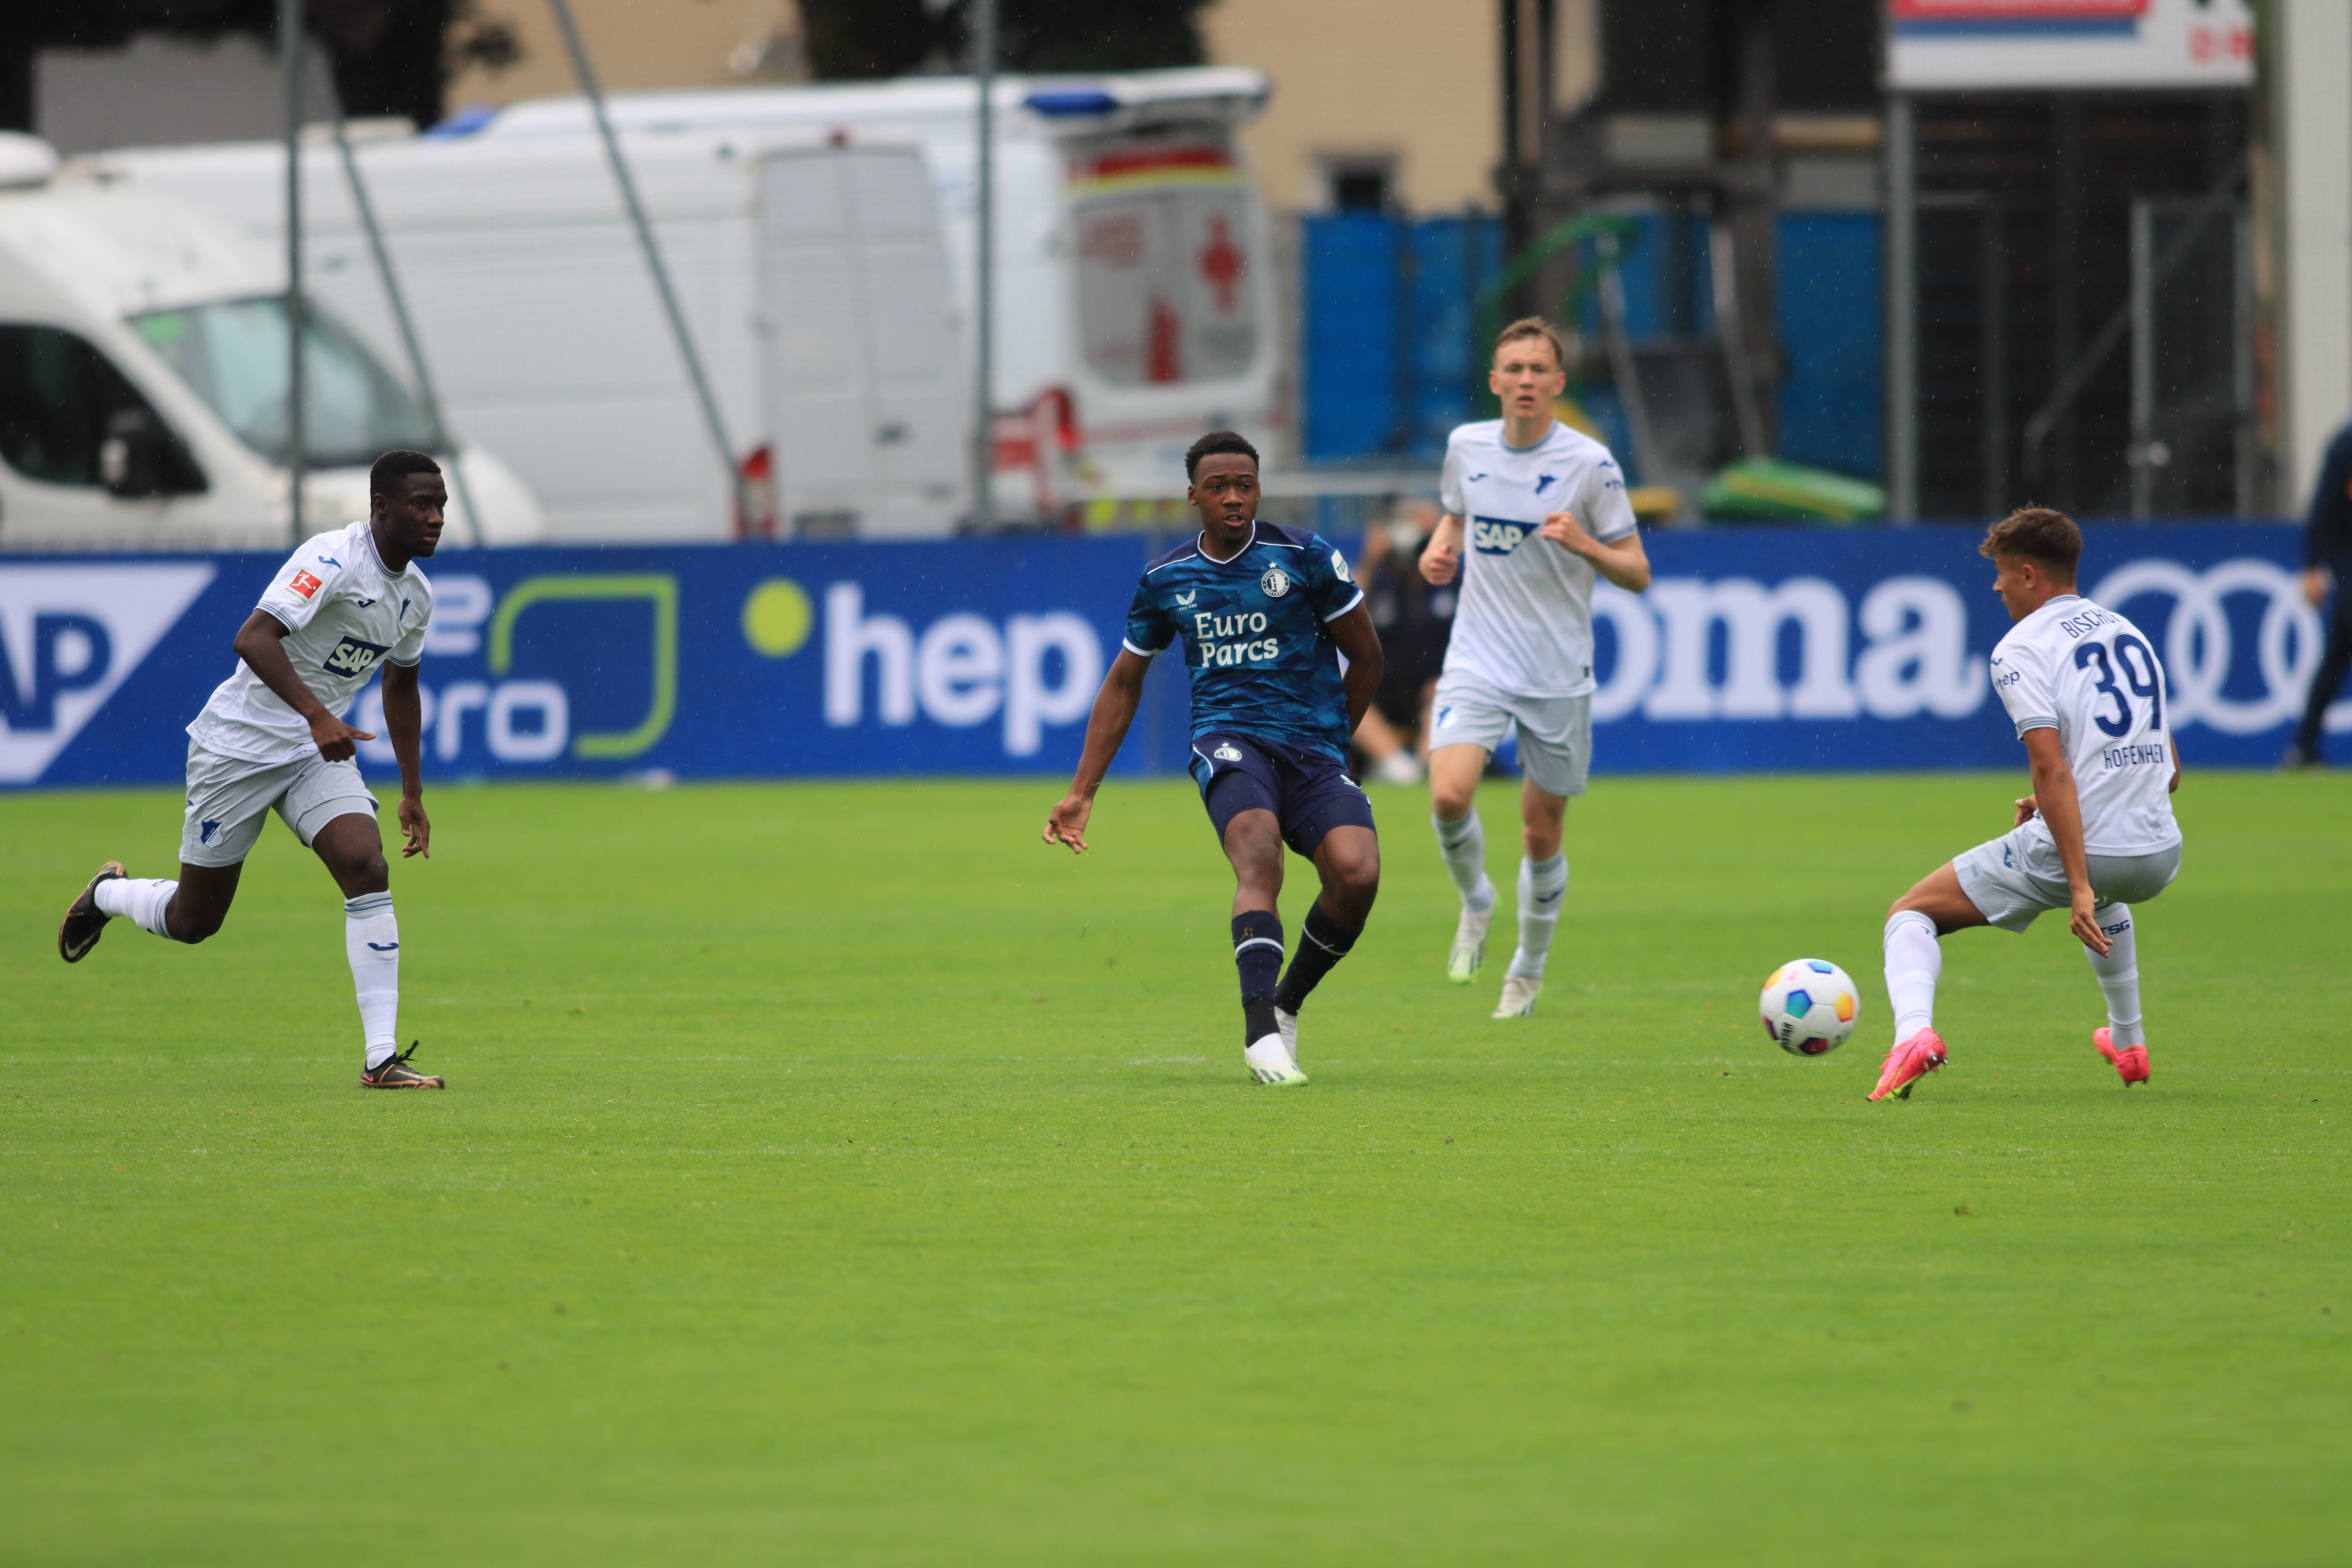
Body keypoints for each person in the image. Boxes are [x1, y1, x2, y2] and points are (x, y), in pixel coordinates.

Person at [55, 450, 448, 1089]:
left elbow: (401, 689)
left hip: (310, 754)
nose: (435, 519)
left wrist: (411, 791)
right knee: (194, 921)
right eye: (421, 506)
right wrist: (320, 715)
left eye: (441, 507)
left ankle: (381, 1060)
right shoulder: (331, 558)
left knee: (365, 864)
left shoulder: (416, 597)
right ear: (381, 508)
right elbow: (253, 638)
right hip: (237, 747)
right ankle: (106, 893)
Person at [1044, 431, 1385, 1087]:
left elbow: (1368, 656)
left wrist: (1335, 749)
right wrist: (1083, 790)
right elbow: (1124, 682)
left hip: (1313, 749)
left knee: (1358, 874)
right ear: (1194, 495)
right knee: (1260, 852)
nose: (1234, 497)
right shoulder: (1166, 579)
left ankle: (1286, 1004)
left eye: (1246, 485)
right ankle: (1260, 1036)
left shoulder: (1306, 557)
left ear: (1259, 489)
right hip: (1228, 740)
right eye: (1219, 486)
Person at [1872, 507, 2182, 1102]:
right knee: (2111, 886)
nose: (1996, 587)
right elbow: (2166, 772)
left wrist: (2079, 879)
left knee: (1910, 915)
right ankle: (2129, 1042)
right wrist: (2052, 804)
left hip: (2096, 851)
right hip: (2161, 851)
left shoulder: (2021, 647)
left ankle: (1913, 1036)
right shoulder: (2127, 633)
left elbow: (2051, 767)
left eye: (2003, 574)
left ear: (2032, 575)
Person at [1417, 317, 1651, 1019]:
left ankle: (1528, 965)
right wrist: (1439, 548)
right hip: (1478, 656)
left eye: (1536, 369)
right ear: (1494, 381)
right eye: (1512, 368)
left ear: (1557, 383)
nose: (1524, 380)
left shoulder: (1590, 464)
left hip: (1556, 672)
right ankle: (1477, 902)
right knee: (1449, 796)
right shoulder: (1466, 446)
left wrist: (1585, 544)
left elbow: (1637, 572)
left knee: (1539, 834)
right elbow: (1456, 514)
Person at [2285, 420, 2352, 767]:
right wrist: (2312, 567)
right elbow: (2323, 505)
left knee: (2338, 654)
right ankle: (2302, 746)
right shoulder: (2347, 442)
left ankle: (2302, 747)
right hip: (2348, 551)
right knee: (2337, 655)